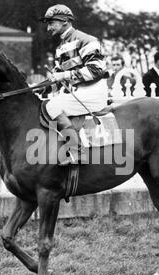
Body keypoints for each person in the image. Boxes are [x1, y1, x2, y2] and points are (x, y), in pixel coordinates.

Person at [40, 4, 109, 165]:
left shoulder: (87, 40)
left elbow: (96, 70)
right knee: (47, 103)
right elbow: (57, 80)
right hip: (76, 93)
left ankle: (77, 152)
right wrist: (40, 87)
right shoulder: (61, 48)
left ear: (64, 21)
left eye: (51, 23)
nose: (49, 27)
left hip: (93, 92)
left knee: (52, 107)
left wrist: (64, 75)